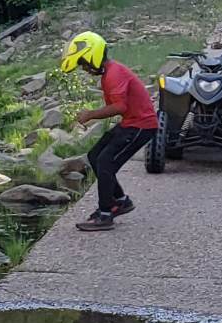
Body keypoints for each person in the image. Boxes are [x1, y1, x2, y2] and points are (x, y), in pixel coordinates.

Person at [59, 31, 158, 232]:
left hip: (142, 126)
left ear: (93, 56)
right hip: (131, 122)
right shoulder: (109, 73)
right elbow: (120, 107)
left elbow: (119, 107)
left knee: (105, 162)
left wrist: (91, 114)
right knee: (94, 155)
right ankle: (120, 201)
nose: (84, 69)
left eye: (84, 64)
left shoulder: (114, 74)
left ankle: (105, 214)